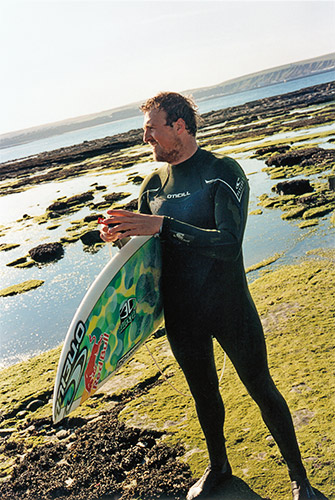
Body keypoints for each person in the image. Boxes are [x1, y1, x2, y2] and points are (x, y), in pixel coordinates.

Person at [100, 92, 326, 500]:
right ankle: (219, 467)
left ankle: (299, 480)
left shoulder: (223, 172)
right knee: (203, 394)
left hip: (229, 307)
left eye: (151, 129)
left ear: (179, 127)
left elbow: (228, 243)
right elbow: (146, 251)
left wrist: (161, 225)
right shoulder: (152, 184)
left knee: (261, 388)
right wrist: (120, 236)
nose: (145, 137)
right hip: (182, 315)